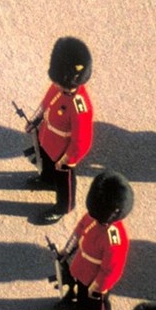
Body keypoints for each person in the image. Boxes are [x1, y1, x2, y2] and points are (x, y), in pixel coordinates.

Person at [57, 171, 133, 310]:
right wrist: (67, 251)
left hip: (96, 281)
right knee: (81, 295)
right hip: (81, 268)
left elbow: (111, 269)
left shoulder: (114, 238)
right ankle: (79, 305)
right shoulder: (93, 216)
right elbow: (78, 232)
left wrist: (98, 288)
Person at [27, 36, 94, 223]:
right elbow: (46, 103)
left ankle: (64, 206)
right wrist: (35, 119)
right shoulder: (58, 83)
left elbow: (82, 141)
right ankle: (47, 180)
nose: (55, 84)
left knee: (64, 182)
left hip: (64, 150)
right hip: (47, 137)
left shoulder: (79, 106)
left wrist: (67, 159)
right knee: (46, 164)